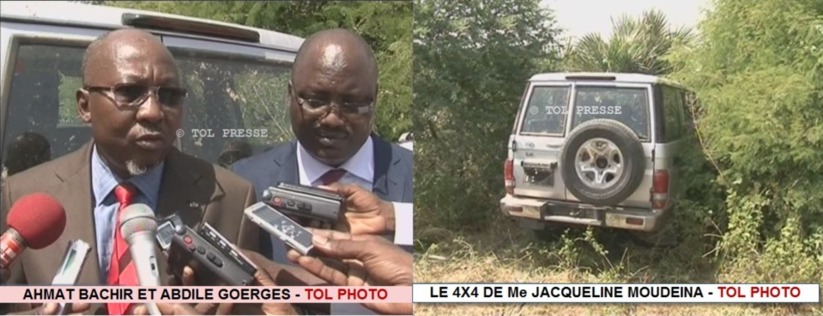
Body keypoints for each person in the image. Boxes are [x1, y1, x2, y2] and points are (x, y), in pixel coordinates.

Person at [0, 29, 262, 315]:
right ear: (84, 106)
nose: (153, 112)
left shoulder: (232, 198)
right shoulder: (24, 195)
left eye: (170, 95)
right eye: (130, 92)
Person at [230, 28, 413, 314]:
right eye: (315, 101)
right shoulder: (242, 185)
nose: (332, 119)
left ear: (375, 98)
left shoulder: (418, 180)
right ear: (290, 95)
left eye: (352, 104)